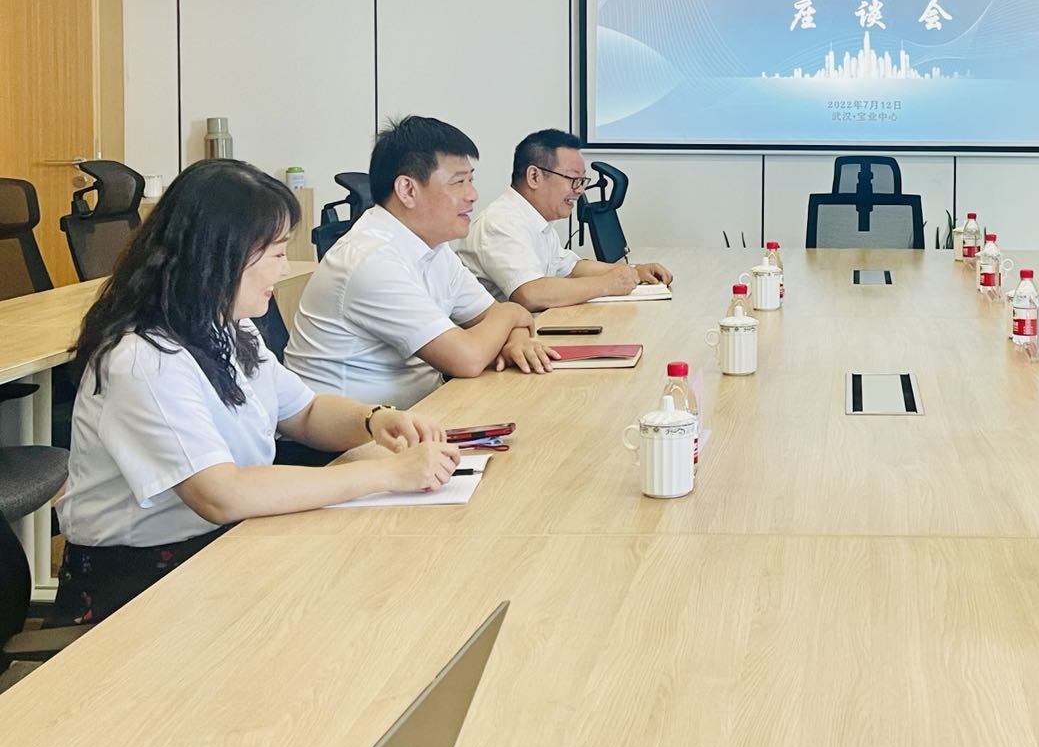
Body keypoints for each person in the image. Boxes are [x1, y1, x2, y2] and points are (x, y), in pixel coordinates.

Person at [50, 160, 460, 625]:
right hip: (141, 581)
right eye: (276, 252)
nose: (284, 268)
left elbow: (305, 413)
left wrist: (375, 420)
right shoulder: (144, 358)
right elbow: (220, 494)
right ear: (221, 254)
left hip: (226, 541)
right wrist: (387, 474)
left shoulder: (227, 325)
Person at [286, 116, 558, 410]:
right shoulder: (371, 259)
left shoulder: (433, 247)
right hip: (352, 433)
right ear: (407, 190)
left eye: (471, 180)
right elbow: (467, 358)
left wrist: (516, 338)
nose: (472, 195)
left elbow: (490, 316)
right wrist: (512, 312)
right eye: (459, 182)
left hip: (422, 411)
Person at [457, 128, 672, 309]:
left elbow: (571, 268)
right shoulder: (501, 222)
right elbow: (531, 294)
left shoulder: (536, 220)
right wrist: (608, 284)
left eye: (582, 181)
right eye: (573, 179)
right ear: (534, 176)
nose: (580, 190)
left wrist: (635, 272)